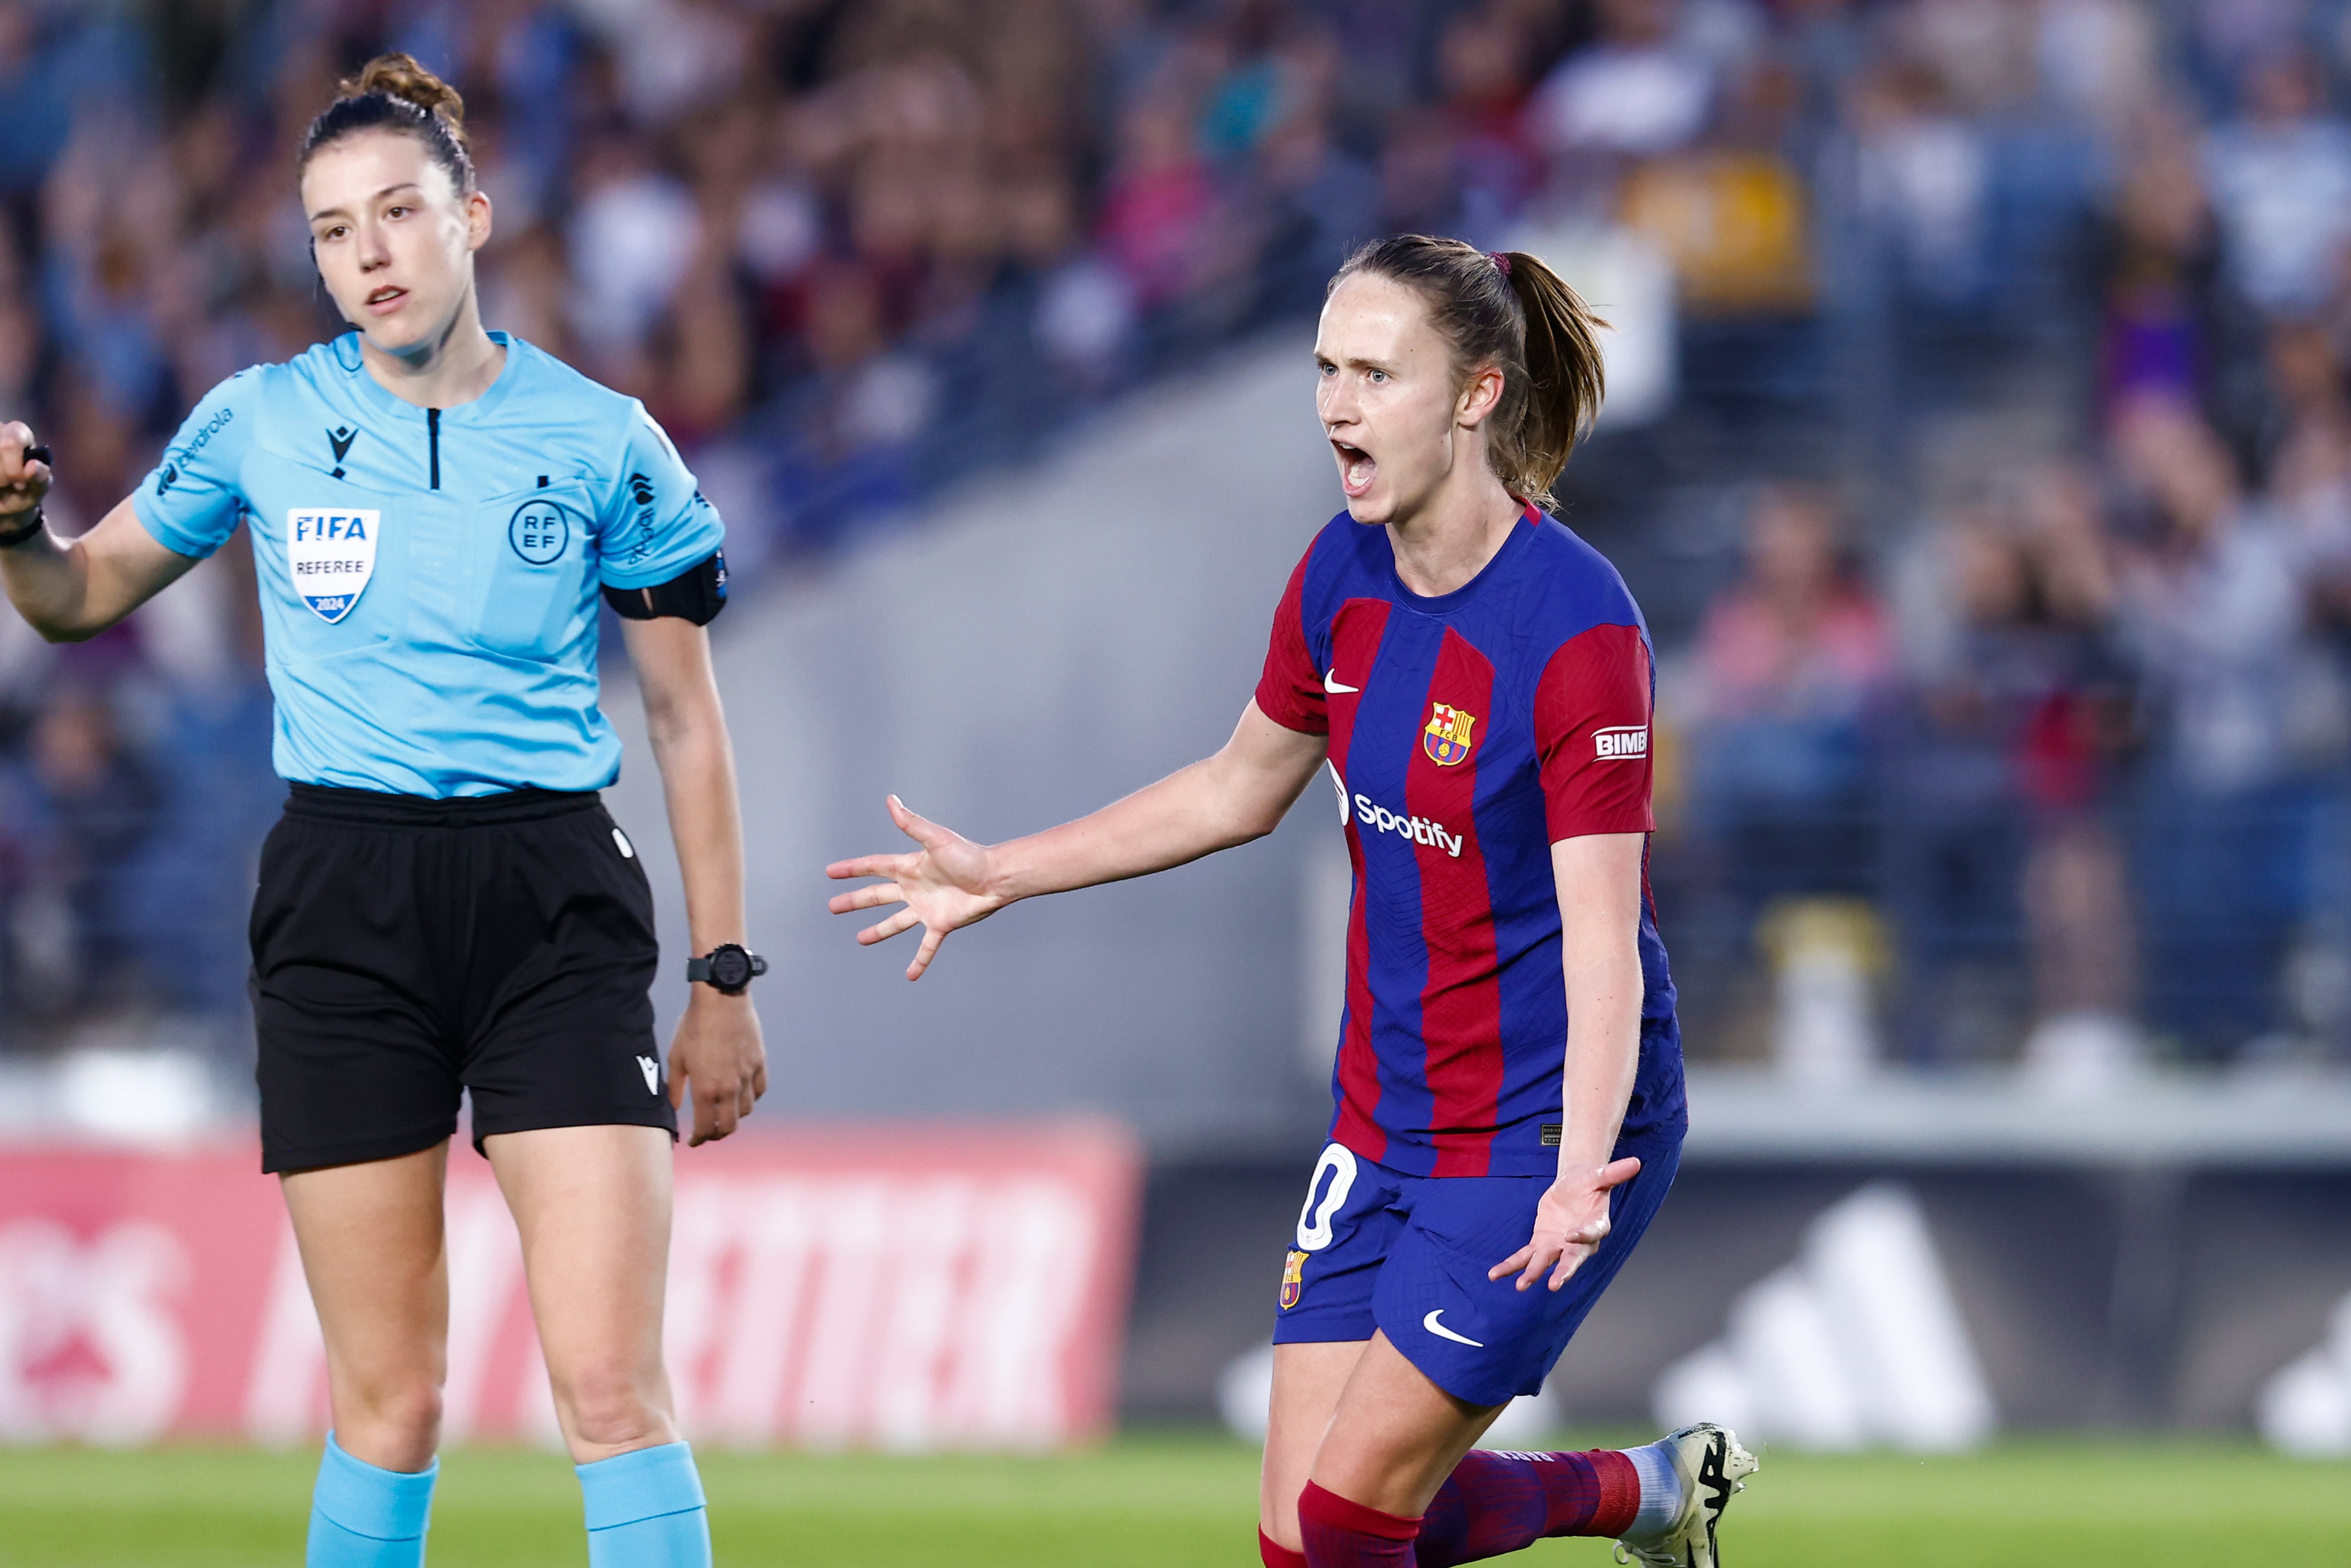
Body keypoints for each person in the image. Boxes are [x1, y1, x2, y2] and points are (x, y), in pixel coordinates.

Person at [828, 234, 1754, 1568]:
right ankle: (1641, 1492)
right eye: (1325, 369)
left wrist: (1569, 1179)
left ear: (1476, 394)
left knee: (1348, 1518)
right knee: (1293, 1533)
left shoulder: (1576, 627)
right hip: (1384, 1112)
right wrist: (999, 870)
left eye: (1374, 374)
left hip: (1538, 1125)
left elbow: (1604, 941)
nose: (1335, 404)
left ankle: (1637, 1491)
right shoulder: (1340, 575)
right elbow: (1232, 789)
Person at [0, 56, 765, 1568]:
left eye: (399, 213)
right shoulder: (258, 423)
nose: (369, 254)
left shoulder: (604, 438)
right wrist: (20, 532)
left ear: (472, 218)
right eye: (334, 230)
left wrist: (724, 978)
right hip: (344, 906)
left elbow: (684, 716)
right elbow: (78, 598)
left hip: (554, 903)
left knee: (611, 1392)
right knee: (390, 1405)